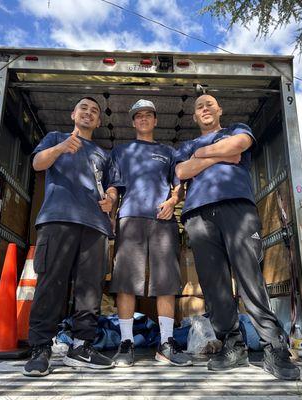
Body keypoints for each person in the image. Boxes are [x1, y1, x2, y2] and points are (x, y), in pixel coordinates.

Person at [174, 94, 300, 380]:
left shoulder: (236, 129)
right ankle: (232, 344)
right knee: (214, 284)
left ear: (220, 109)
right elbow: (182, 170)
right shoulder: (186, 146)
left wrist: (203, 156)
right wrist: (220, 155)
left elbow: (239, 146)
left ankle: (274, 348)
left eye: (209, 104)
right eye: (199, 107)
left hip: (238, 209)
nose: (204, 109)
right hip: (198, 215)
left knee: (249, 279)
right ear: (194, 117)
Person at [23, 97, 116, 377]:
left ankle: (82, 346)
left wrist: (111, 200)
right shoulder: (55, 138)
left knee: (90, 288)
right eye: (84, 108)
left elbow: (112, 187)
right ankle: (40, 348)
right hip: (57, 219)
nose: (89, 113)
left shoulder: (103, 153)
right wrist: (62, 148)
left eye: (94, 111)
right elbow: (38, 164)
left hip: (96, 226)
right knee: (51, 283)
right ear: (73, 113)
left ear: (99, 122)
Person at [107, 99, 192, 367]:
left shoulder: (169, 152)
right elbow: (113, 189)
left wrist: (171, 202)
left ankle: (166, 344)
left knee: (166, 282)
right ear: (133, 122)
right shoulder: (120, 151)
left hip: (163, 221)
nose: (143, 119)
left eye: (148, 115)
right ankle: (126, 343)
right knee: (126, 281)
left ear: (156, 121)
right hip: (129, 219)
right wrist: (110, 214)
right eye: (138, 116)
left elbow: (179, 188)